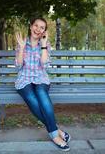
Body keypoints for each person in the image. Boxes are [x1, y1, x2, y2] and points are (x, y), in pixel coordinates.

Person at [15, 17, 71, 151]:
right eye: (36, 25)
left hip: (41, 78)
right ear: (31, 26)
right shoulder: (22, 43)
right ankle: (56, 133)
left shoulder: (45, 44)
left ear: (44, 31)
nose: (38, 29)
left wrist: (44, 44)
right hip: (24, 79)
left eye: (42, 27)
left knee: (41, 94)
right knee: (32, 99)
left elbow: (44, 64)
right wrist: (22, 48)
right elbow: (18, 65)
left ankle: (55, 133)